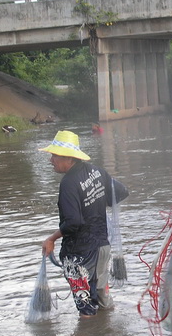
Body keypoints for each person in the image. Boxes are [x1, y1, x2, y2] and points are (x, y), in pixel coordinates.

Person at [40, 130, 129, 318]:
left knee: (86, 310)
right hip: (102, 248)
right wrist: (94, 206)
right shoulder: (97, 171)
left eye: (54, 156)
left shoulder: (68, 184)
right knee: (104, 302)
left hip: (81, 256)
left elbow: (73, 223)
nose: (51, 160)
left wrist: (51, 239)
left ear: (68, 158)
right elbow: (120, 192)